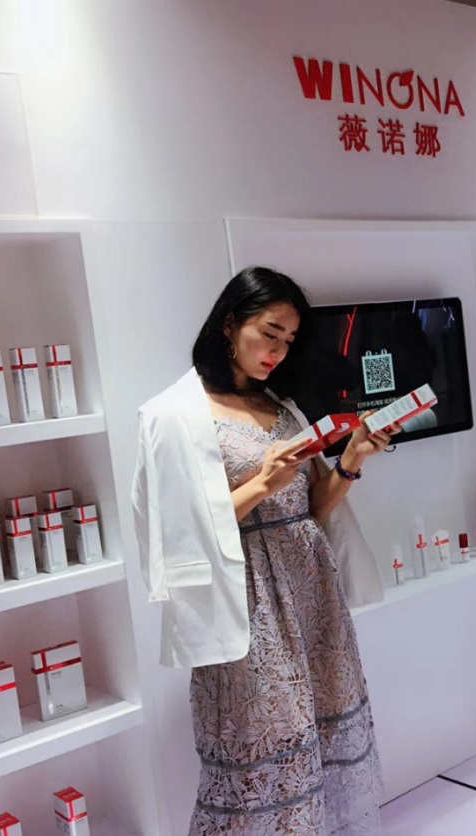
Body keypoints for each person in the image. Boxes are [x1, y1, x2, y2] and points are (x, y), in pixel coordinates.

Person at [132, 266, 392, 834]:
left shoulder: (281, 406)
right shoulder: (175, 416)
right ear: (230, 324)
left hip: (309, 589)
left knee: (320, 728)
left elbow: (310, 509)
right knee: (262, 740)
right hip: (247, 601)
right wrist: (262, 484)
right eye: (269, 333)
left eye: (288, 340)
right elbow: (175, 531)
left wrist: (351, 460)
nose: (277, 351)